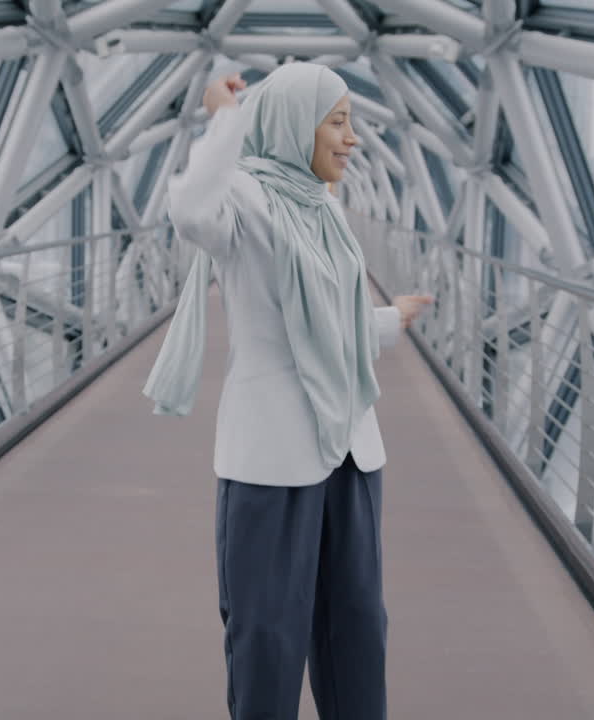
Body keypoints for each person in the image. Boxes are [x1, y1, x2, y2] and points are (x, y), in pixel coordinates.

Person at [143, 62, 433, 720]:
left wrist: (391, 320)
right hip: (273, 456)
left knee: (358, 628)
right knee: (268, 636)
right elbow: (188, 209)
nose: (352, 138)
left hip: (352, 450)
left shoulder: (322, 206)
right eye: (338, 122)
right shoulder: (244, 201)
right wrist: (226, 118)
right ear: (294, 124)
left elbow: (328, 321)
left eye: (352, 123)